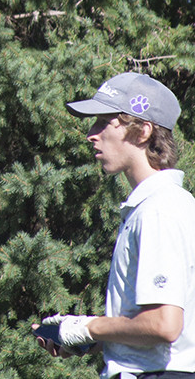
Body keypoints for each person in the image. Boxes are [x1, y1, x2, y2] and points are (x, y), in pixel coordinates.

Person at [34, 72, 195, 379]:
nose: (91, 134)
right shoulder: (165, 205)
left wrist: (87, 327)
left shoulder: (160, 209)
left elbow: (164, 324)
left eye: (103, 122)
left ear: (143, 131)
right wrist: (82, 338)